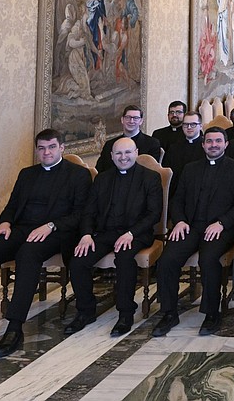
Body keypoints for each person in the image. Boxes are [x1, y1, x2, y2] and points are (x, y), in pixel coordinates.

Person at [0, 129, 91, 358]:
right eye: (41, 148)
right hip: (21, 229)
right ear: (37, 150)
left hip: (55, 232)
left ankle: (15, 327)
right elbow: (12, 205)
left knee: (28, 254)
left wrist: (50, 226)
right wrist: (5, 223)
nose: (46, 152)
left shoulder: (78, 175)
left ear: (62, 148)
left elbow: (80, 214)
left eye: (51, 147)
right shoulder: (27, 174)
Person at [151, 127, 234, 337]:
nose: (214, 145)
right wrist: (179, 221)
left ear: (226, 144)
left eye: (218, 141)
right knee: (167, 259)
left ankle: (212, 313)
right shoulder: (190, 169)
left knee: (208, 259)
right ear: (203, 144)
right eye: (209, 141)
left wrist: (222, 223)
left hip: (222, 228)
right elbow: (177, 199)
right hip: (191, 226)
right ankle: (169, 312)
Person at [66, 137, 162, 337]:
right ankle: (86, 311)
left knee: (125, 258)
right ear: (111, 156)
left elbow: (153, 214)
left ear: (136, 153)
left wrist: (131, 233)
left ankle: (125, 313)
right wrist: (85, 235)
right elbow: (89, 212)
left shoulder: (150, 177)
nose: (123, 157)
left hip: (137, 233)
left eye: (128, 152)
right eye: (118, 153)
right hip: (106, 233)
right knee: (78, 261)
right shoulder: (102, 178)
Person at [96, 105, 161, 172]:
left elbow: (152, 172)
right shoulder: (110, 144)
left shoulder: (152, 143)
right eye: (128, 117)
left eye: (135, 118)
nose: (131, 121)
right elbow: (100, 170)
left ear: (141, 121)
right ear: (122, 120)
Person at [161, 112, 205, 198]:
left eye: (193, 124)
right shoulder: (174, 148)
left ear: (200, 126)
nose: (189, 127)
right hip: (177, 193)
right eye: (185, 124)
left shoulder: (206, 148)